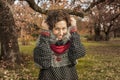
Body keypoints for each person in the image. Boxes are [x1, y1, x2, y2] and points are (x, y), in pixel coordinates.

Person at [33, 10, 86, 80]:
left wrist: (73, 30)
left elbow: (78, 53)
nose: (61, 33)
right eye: (57, 29)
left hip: (69, 75)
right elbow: (44, 63)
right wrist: (45, 33)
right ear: (50, 28)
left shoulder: (71, 40)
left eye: (64, 28)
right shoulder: (43, 40)